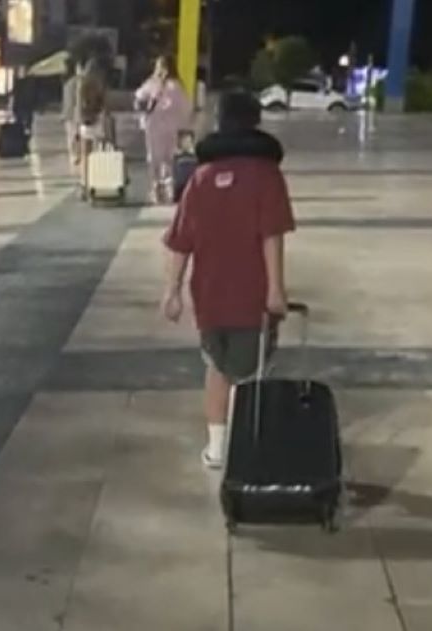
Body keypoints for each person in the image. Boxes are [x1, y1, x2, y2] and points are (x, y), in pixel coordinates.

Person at [160, 91, 296, 469]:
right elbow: (272, 235)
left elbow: (180, 241)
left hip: (209, 293)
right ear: (255, 121)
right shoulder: (267, 175)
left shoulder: (201, 178)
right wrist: (276, 289)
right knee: (253, 372)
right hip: (252, 293)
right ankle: (248, 443)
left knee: (217, 367)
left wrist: (171, 292)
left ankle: (217, 448)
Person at [135, 55, 192, 204]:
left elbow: (139, 100)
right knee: (166, 159)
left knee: (159, 159)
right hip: (165, 128)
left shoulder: (156, 85)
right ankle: (165, 190)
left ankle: (160, 190)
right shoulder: (175, 86)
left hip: (157, 127)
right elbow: (186, 109)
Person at [77, 58, 108, 197]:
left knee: (85, 155)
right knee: (97, 154)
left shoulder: (82, 85)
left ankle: (84, 184)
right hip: (98, 121)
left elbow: (78, 106)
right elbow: (104, 105)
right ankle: (97, 181)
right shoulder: (99, 84)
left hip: (85, 122)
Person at [61, 61, 83, 167]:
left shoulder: (68, 83)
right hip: (74, 114)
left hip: (70, 114)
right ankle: (77, 155)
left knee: (72, 136)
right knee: (76, 136)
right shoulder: (78, 82)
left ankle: (75, 155)